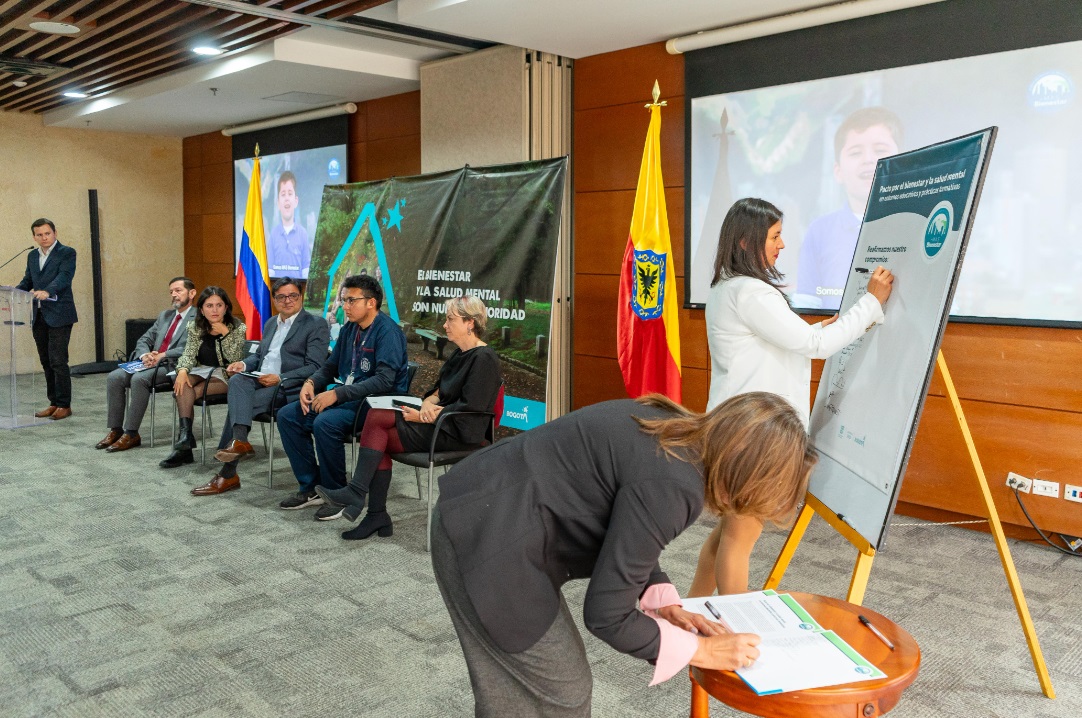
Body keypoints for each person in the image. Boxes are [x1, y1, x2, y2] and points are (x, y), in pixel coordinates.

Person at [432, 392, 817, 717]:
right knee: (562, 693)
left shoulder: (673, 429)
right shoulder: (676, 485)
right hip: (486, 537)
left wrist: (664, 602)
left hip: (487, 508)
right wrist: (702, 650)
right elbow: (606, 616)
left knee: (520, 689)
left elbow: (630, 531)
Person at [692, 197, 893, 597]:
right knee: (740, 536)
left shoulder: (728, 288)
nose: (782, 245)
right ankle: (734, 633)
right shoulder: (751, 292)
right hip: (753, 433)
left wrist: (825, 326)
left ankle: (691, 614)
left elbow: (780, 342)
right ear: (748, 242)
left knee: (729, 531)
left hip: (737, 427)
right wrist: (870, 302)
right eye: (775, 236)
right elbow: (815, 346)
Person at [317, 295, 502, 541]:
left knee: (377, 420)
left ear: (470, 322)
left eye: (450, 319)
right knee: (377, 434)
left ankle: (359, 496)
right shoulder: (459, 354)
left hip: (457, 432)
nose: (445, 325)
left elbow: (470, 408)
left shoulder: (484, 358)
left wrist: (424, 416)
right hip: (441, 422)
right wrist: (427, 403)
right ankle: (375, 513)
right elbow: (439, 391)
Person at [276, 275, 408, 519]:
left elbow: (384, 381)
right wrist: (311, 382)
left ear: (371, 303)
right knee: (288, 416)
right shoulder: (350, 329)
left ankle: (338, 493)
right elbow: (330, 366)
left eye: (351, 301)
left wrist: (337, 394)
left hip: (377, 404)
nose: (344, 306)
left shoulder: (388, 332)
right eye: (344, 300)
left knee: (325, 423)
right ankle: (311, 487)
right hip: (350, 397)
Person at [190, 278, 329, 495]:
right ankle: (239, 443)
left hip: (289, 388)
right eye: (281, 297)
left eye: (293, 295)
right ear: (274, 300)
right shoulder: (271, 322)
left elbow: (315, 366)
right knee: (237, 380)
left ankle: (228, 472)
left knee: (239, 407)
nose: (288, 300)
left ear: (300, 297)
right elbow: (260, 356)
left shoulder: (315, 324)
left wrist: (280, 377)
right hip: (260, 380)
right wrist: (243, 364)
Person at [795, 107, 903, 309]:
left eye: (880, 150)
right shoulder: (819, 231)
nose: (869, 160)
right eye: (855, 153)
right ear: (838, 172)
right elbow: (807, 306)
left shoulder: (919, 226)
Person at [96, 277, 197, 452]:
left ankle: (132, 433)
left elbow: (191, 348)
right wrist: (145, 355)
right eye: (171, 292)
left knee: (139, 380)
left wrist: (162, 355)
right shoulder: (165, 315)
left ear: (192, 293)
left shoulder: (199, 317)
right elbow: (145, 338)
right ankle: (116, 430)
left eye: (178, 290)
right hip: (152, 362)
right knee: (114, 377)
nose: (174, 295)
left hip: (175, 366)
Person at [160, 287, 247, 469]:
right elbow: (189, 354)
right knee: (182, 384)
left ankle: (184, 446)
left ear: (226, 308)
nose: (214, 310)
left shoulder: (238, 327)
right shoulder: (195, 327)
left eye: (219, 305)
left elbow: (236, 358)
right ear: (201, 309)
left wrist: (225, 334)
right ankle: (185, 438)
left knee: (192, 391)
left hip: (227, 375)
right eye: (209, 306)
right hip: (202, 371)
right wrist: (182, 370)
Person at [18, 218, 77, 420]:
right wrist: (14, 292)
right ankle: (53, 402)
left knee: (58, 361)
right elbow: (28, 280)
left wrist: (47, 291)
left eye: (47, 233)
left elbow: (64, 277)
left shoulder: (67, 253)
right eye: (39, 234)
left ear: (55, 233)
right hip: (40, 314)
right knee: (46, 361)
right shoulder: (32, 256)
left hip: (60, 313)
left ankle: (64, 405)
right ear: (34, 236)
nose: (44, 237)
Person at [267, 171, 311, 279]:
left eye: (290, 193)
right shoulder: (273, 234)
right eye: (283, 194)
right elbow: (270, 271)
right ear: (278, 202)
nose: (286, 198)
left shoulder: (303, 234)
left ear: (296, 201)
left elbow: (306, 270)